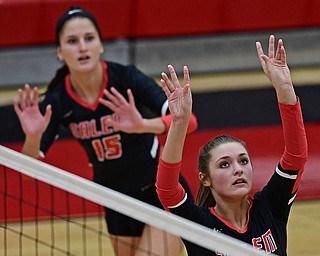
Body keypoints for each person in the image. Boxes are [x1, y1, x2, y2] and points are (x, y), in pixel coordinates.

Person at [13, 6, 198, 256]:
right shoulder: (56, 101)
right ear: (59, 52)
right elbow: (27, 172)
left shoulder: (126, 79)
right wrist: (33, 138)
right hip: (115, 201)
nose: (82, 47)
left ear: (100, 45)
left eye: (89, 38)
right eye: (72, 41)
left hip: (160, 191)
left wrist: (142, 125)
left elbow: (191, 121)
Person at [156, 35, 308, 256]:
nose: (238, 168)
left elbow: (295, 158)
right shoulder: (199, 225)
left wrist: (284, 88)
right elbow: (167, 190)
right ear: (205, 179)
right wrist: (179, 123)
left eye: (243, 161)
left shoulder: (270, 207)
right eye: (224, 165)